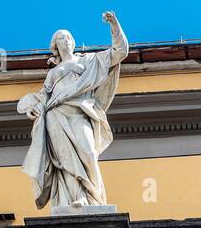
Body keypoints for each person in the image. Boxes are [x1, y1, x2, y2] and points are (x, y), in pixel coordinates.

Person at [18, 12, 128, 210]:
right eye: (61, 38)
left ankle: (94, 198)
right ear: (55, 46)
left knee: (88, 153)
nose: (66, 40)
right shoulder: (52, 73)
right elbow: (44, 98)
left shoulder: (88, 61)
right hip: (56, 114)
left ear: (73, 42)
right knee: (64, 161)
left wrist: (114, 26)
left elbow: (120, 52)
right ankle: (75, 200)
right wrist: (33, 109)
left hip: (80, 111)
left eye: (68, 37)